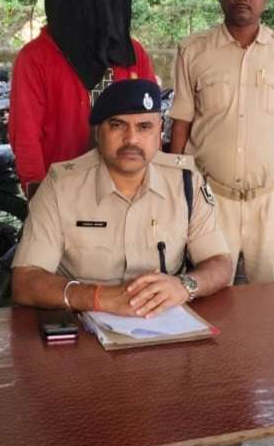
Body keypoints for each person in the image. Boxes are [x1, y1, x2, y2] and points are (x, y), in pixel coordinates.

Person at [12, 79, 232, 316]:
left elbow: (219, 262)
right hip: (81, 319)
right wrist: (98, 297)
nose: (131, 140)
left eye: (144, 127)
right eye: (118, 126)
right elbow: (25, 281)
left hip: (162, 320)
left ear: (159, 132)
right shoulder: (60, 187)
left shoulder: (185, 182)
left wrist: (184, 286)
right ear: (98, 132)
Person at [169, 0, 274, 284]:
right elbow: (181, 122)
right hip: (211, 197)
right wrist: (176, 188)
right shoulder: (193, 52)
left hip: (269, 200)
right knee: (212, 292)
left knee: (270, 295)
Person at [8, 0, 157, 196]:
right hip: (62, 192)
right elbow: (26, 135)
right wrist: (37, 194)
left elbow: (149, 125)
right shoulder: (36, 58)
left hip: (126, 190)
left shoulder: (132, 54)